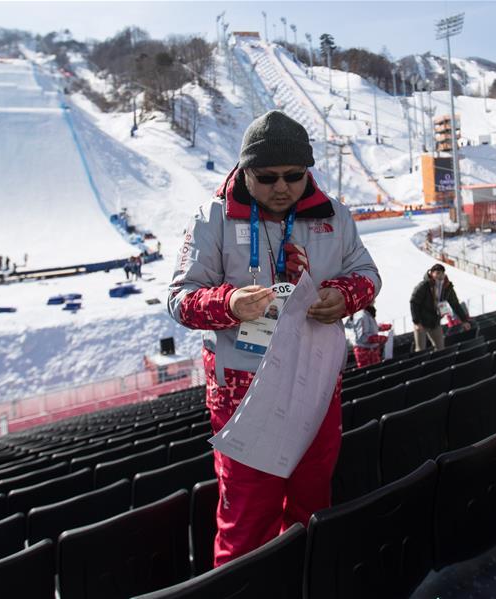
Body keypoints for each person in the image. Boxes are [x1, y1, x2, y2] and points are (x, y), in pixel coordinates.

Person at [168, 110, 380, 567]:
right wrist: (227, 304)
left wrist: (342, 295)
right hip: (244, 395)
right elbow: (180, 299)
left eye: (294, 176)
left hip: (316, 386)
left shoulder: (334, 215)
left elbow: (367, 274)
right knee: (246, 523)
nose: (282, 187)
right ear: (245, 172)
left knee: (311, 508)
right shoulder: (213, 218)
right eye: (267, 178)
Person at [409, 263, 471, 352]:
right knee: (420, 350)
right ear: (431, 273)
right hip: (421, 321)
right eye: (437, 273)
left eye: (441, 273)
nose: (439, 275)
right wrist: (416, 321)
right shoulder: (424, 285)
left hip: (435, 321)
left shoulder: (447, 286)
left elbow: (455, 304)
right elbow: (414, 302)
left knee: (440, 348)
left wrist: (464, 320)